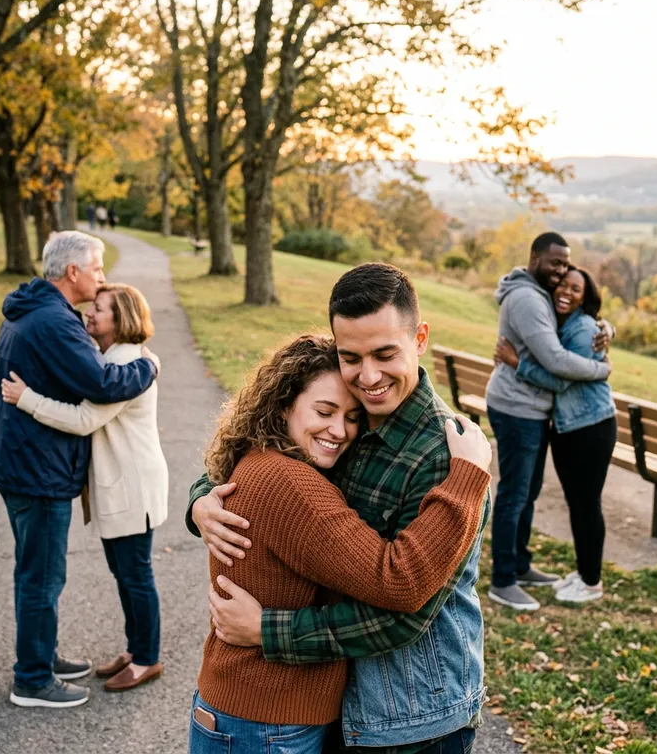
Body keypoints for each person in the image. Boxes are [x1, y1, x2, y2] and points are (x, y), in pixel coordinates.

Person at [188, 263, 493, 754]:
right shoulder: (354, 424)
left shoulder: (446, 456)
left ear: (420, 338)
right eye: (351, 357)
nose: (368, 376)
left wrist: (267, 629)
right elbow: (264, 470)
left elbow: (403, 607)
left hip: (414, 717)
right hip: (337, 709)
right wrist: (202, 499)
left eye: (385, 353)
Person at [0, 231, 159, 709]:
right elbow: (101, 383)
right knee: (40, 577)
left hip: (24, 462)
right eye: (98, 268)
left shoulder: (38, 311)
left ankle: (41, 655)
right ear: (73, 272)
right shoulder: (54, 322)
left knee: (38, 573)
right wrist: (149, 367)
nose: (102, 277)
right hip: (35, 469)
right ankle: (33, 679)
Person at [485, 232, 612, 612]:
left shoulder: (539, 294)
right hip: (517, 408)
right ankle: (503, 580)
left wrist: (607, 329)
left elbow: (584, 323)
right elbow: (556, 363)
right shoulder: (527, 298)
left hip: (533, 410)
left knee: (527, 492)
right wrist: (600, 369)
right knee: (514, 494)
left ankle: (520, 565)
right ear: (535, 257)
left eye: (565, 264)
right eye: (555, 263)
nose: (560, 272)